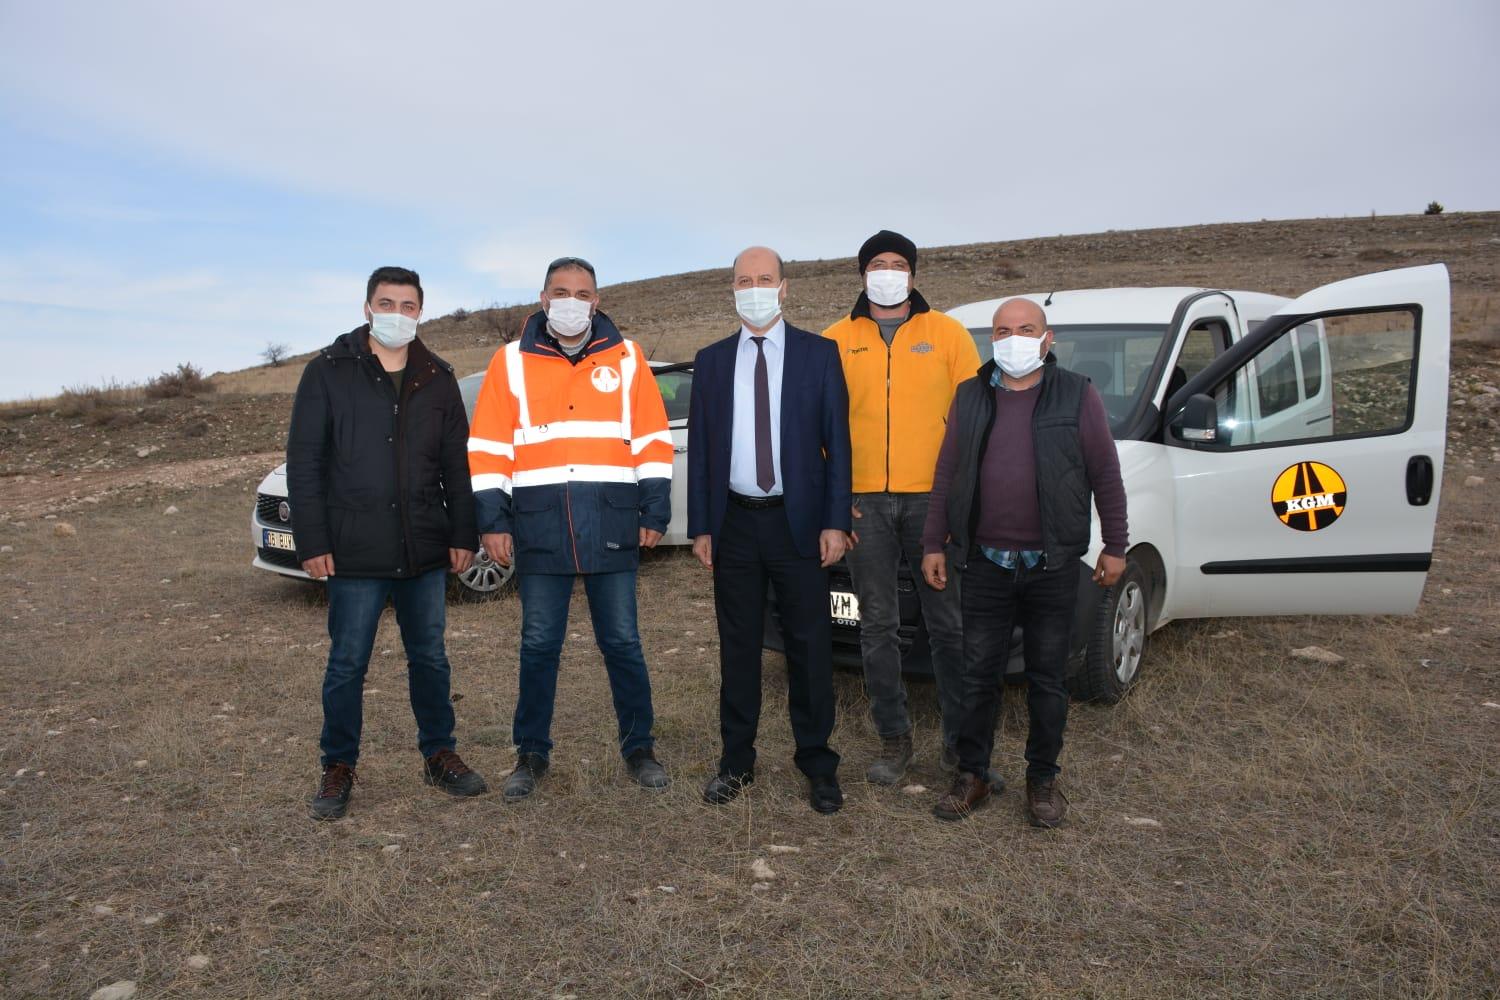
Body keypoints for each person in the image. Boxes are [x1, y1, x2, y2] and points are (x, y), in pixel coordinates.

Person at [467, 256, 674, 801]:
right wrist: (492, 520)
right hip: (539, 527)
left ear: (597, 301)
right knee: (538, 644)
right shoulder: (509, 362)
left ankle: (640, 749)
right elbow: (488, 449)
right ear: (543, 298)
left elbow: (653, 441)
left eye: (582, 292)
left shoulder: (627, 359)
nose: (571, 301)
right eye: (561, 291)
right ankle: (530, 755)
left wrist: (654, 512)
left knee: (623, 641)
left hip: (610, 520)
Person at [287, 265, 485, 821]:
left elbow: (456, 467)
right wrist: (313, 539)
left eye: (407, 305)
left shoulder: (438, 376)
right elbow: (305, 463)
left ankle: (440, 752)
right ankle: (338, 764)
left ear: (421, 311)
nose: (396, 313)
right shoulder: (328, 372)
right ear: (367, 306)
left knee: (430, 658)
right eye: (386, 303)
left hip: (423, 547)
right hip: (354, 549)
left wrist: (462, 532)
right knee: (348, 663)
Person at [921, 297, 1128, 827]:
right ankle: (974, 775)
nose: (1015, 338)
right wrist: (932, 543)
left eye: (1027, 328)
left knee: (1048, 677)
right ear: (993, 338)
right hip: (985, 561)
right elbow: (946, 474)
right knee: (978, 674)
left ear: (1047, 337)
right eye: (1004, 330)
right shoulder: (970, 395)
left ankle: (1042, 780)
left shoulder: (1076, 394)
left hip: (1051, 562)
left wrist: (1116, 544)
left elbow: (1105, 472)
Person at [687, 246, 853, 814]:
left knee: (809, 645)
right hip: (733, 524)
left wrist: (835, 520)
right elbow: (704, 451)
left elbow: (839, 446)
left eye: (764, 279)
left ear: (784, 288)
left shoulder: (819, 355)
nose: (753, 288)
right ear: (731, 289)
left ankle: (817, 763)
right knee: (738, 647)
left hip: (798, 525)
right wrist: (703, 525)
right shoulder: (709, 361)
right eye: (743, 280)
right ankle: (736, 762)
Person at [822, 230, 981, 783]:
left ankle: (964, 750)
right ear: (862, 274)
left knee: (948, 626)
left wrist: (958, 499)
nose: (887, 272)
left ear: (913, 274)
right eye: (876, 264)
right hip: (863, 504)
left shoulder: (948, 335)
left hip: (931, 504)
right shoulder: (834, 340)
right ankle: (894, 741)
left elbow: (972, 421)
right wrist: (838, 503)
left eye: (897, 264)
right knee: (877, 628)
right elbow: (821, 430)